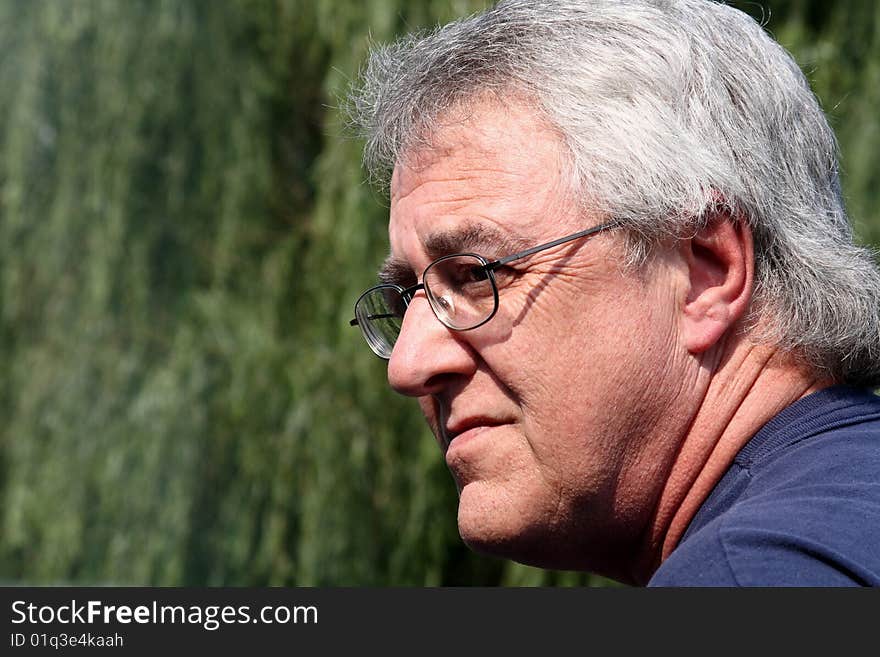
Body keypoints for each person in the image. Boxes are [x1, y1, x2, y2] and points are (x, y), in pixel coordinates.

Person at [346, 0, 880, 586]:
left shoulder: (746, 576)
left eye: (478, 274)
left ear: (708, 271)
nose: (408, 364)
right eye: (406, 295)